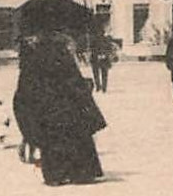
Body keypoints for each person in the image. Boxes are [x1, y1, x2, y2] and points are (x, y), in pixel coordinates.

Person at [13, 31, 105, 186]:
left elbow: (25, 90)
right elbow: (76, 84)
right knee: (76, 139)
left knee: (52, 141)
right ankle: (81, 173)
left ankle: (56, 174)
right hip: (70, 108)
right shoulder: (63, 56)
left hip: (47, 109)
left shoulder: (33, 59)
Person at [89, 27, 116, 93]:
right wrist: (105, 54)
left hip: (96, 58)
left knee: (96, 73)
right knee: (104, 74)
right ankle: (104, 88)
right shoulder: (107, 40)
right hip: (104, 58)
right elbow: (109, 49)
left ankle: (98, 87)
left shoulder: (93, 40)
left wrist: (97, 55)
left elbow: (91, 48)